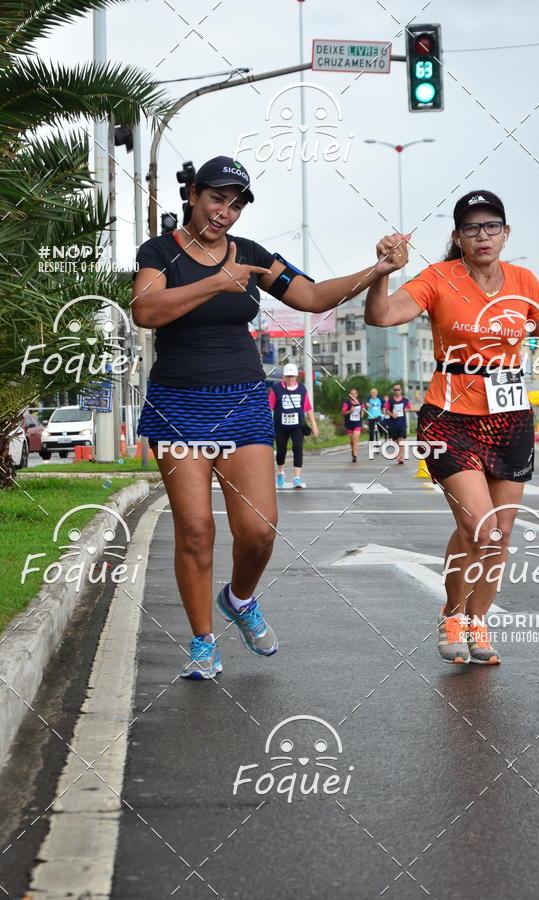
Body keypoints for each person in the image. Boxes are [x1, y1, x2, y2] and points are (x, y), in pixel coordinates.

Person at [132, 155, 401, 679]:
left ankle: (240, 598)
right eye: (216, 199)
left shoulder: (252, 256)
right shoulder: (160, 251)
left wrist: (379, 270)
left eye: (235, 205)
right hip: (179, 405)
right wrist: (218, 282)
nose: (224, 213)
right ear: (193, 196)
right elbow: (146, 310)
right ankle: (203, 642)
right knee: (194, 528)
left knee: (258, 531)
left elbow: (313, 295)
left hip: (244, 400)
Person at [365, 190, 539, 665]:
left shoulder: (525, 282)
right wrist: (384, 272)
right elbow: (382, 315)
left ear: (506, 232)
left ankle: (478, 621)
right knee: (478, 526)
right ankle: (453, 613)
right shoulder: (438, 278)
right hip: (448, 417)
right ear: (457, 237)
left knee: (502, 531)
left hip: (509, 417)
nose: (482, 235)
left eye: (491, 225)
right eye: (471, 228)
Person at [269, 362, 318, 489]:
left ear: (296, 376)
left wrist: (314, 425)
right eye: (288, 376)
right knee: (281, 451)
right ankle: (280, 472)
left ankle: (297, 477)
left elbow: (308, 408)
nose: (290, 379)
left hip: (298, 426)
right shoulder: (276, 389)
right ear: (284, 376)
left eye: (292, 376)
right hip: (280, 426)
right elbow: (269, 408)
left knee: (298, 448)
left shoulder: (302, 389)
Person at [386, 384, 412, 464]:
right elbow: (386, 410)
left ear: (401, 390)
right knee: (395, 440)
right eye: (395, 390)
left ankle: (401, 457)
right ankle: (398, 454)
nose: (397, 391)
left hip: (402, 423)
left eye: (398, 389)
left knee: (402, 440)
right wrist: (392, 415)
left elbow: (409, 408)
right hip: (393, 423)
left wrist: (406, 410)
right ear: (394, 391)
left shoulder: (405, 400)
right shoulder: (390, 401)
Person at [341, 388, 365, 462]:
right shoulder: (347, 403)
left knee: (355, 438)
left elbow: (363, 409)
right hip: (349, 423)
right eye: (352, 394)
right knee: (352, 441)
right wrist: (350, 411)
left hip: (357, 422)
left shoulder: (360, 402)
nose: (353, 395)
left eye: (355, 393)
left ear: (357, 395)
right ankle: (353, 451)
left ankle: (355, 454)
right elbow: (343, 413)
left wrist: (362, 414)